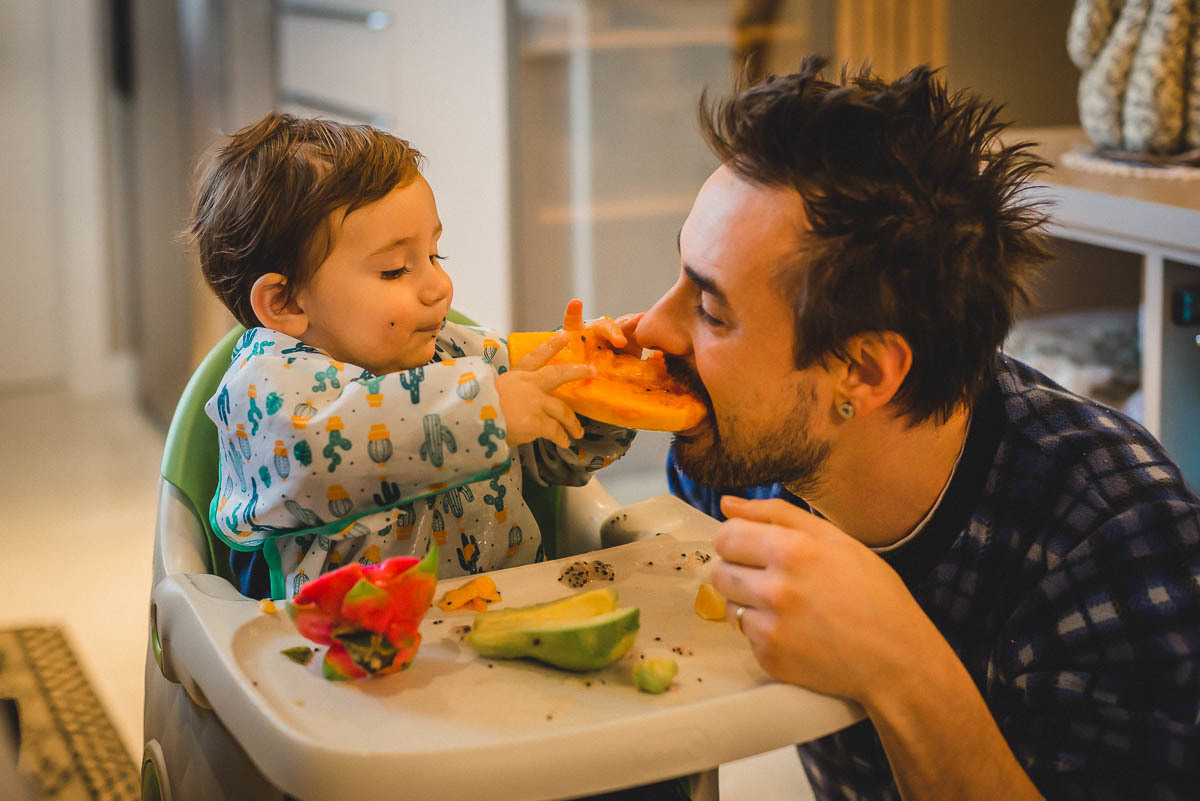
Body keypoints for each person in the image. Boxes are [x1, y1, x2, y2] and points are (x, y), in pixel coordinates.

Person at [631, 57, 1200, 800]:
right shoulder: (745, 456)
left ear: (863, 374)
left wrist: (898, 661)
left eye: (711, 310)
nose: (649, 327)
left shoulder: (1118, 541)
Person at [187, 112, 639, 600]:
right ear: (286, 303)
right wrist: (485, 413)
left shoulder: (462, 356)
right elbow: (319, 459)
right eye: (395, 269)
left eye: (434, 256)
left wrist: (596, 388)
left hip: (509, 619)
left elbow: (556, 461)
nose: (439, 285)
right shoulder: (264, 393)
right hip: (347, 644)